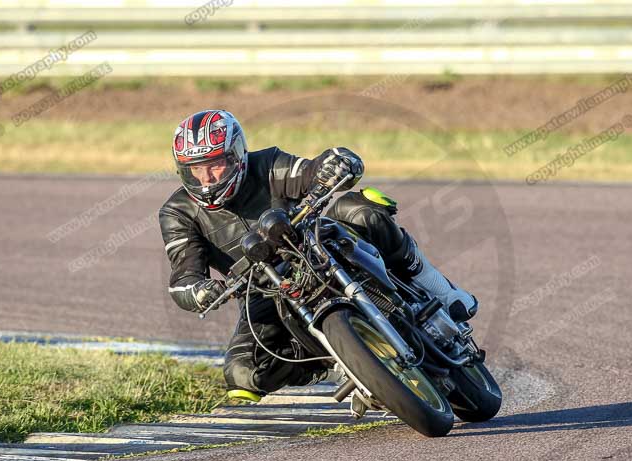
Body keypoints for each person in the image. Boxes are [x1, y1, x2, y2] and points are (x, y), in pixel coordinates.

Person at [160, 110, 477, 402]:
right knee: (242, 373)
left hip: (314, 242)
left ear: (238, 156)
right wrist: (198, 291)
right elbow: (183, 276)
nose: (208, 178)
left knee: (363, 209)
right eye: (196, 170)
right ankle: (337, 360)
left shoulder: (267, 164)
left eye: (216, 165)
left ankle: (439, 289)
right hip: (263, 287)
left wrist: (335, 162)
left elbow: (312, 170)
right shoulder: (177, 213)